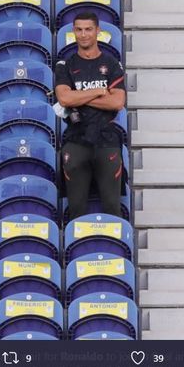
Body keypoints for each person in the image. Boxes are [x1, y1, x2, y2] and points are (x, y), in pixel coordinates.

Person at [54, 12, 126, 220]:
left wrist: (79, 96)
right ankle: (79, 250)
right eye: (79, 29)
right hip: (76, 140)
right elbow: (65, 99)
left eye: (88, 29)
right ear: (73, 32)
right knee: (76, 208)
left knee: (112, 206)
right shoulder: (65, 65)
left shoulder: (111, 64)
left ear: (97, 31)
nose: (83, 34)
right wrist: (98, 91)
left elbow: (117, 102)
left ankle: (113, 248)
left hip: (107, 140)